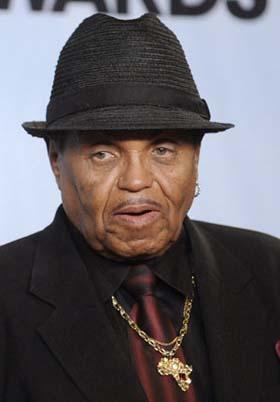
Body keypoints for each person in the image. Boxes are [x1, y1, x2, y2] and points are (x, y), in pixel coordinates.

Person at [0, 13, 279, 402]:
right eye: (102, 153)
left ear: (196, 157)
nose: (136, 180)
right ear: (56, 162)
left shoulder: (270, 268)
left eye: (163, 150)